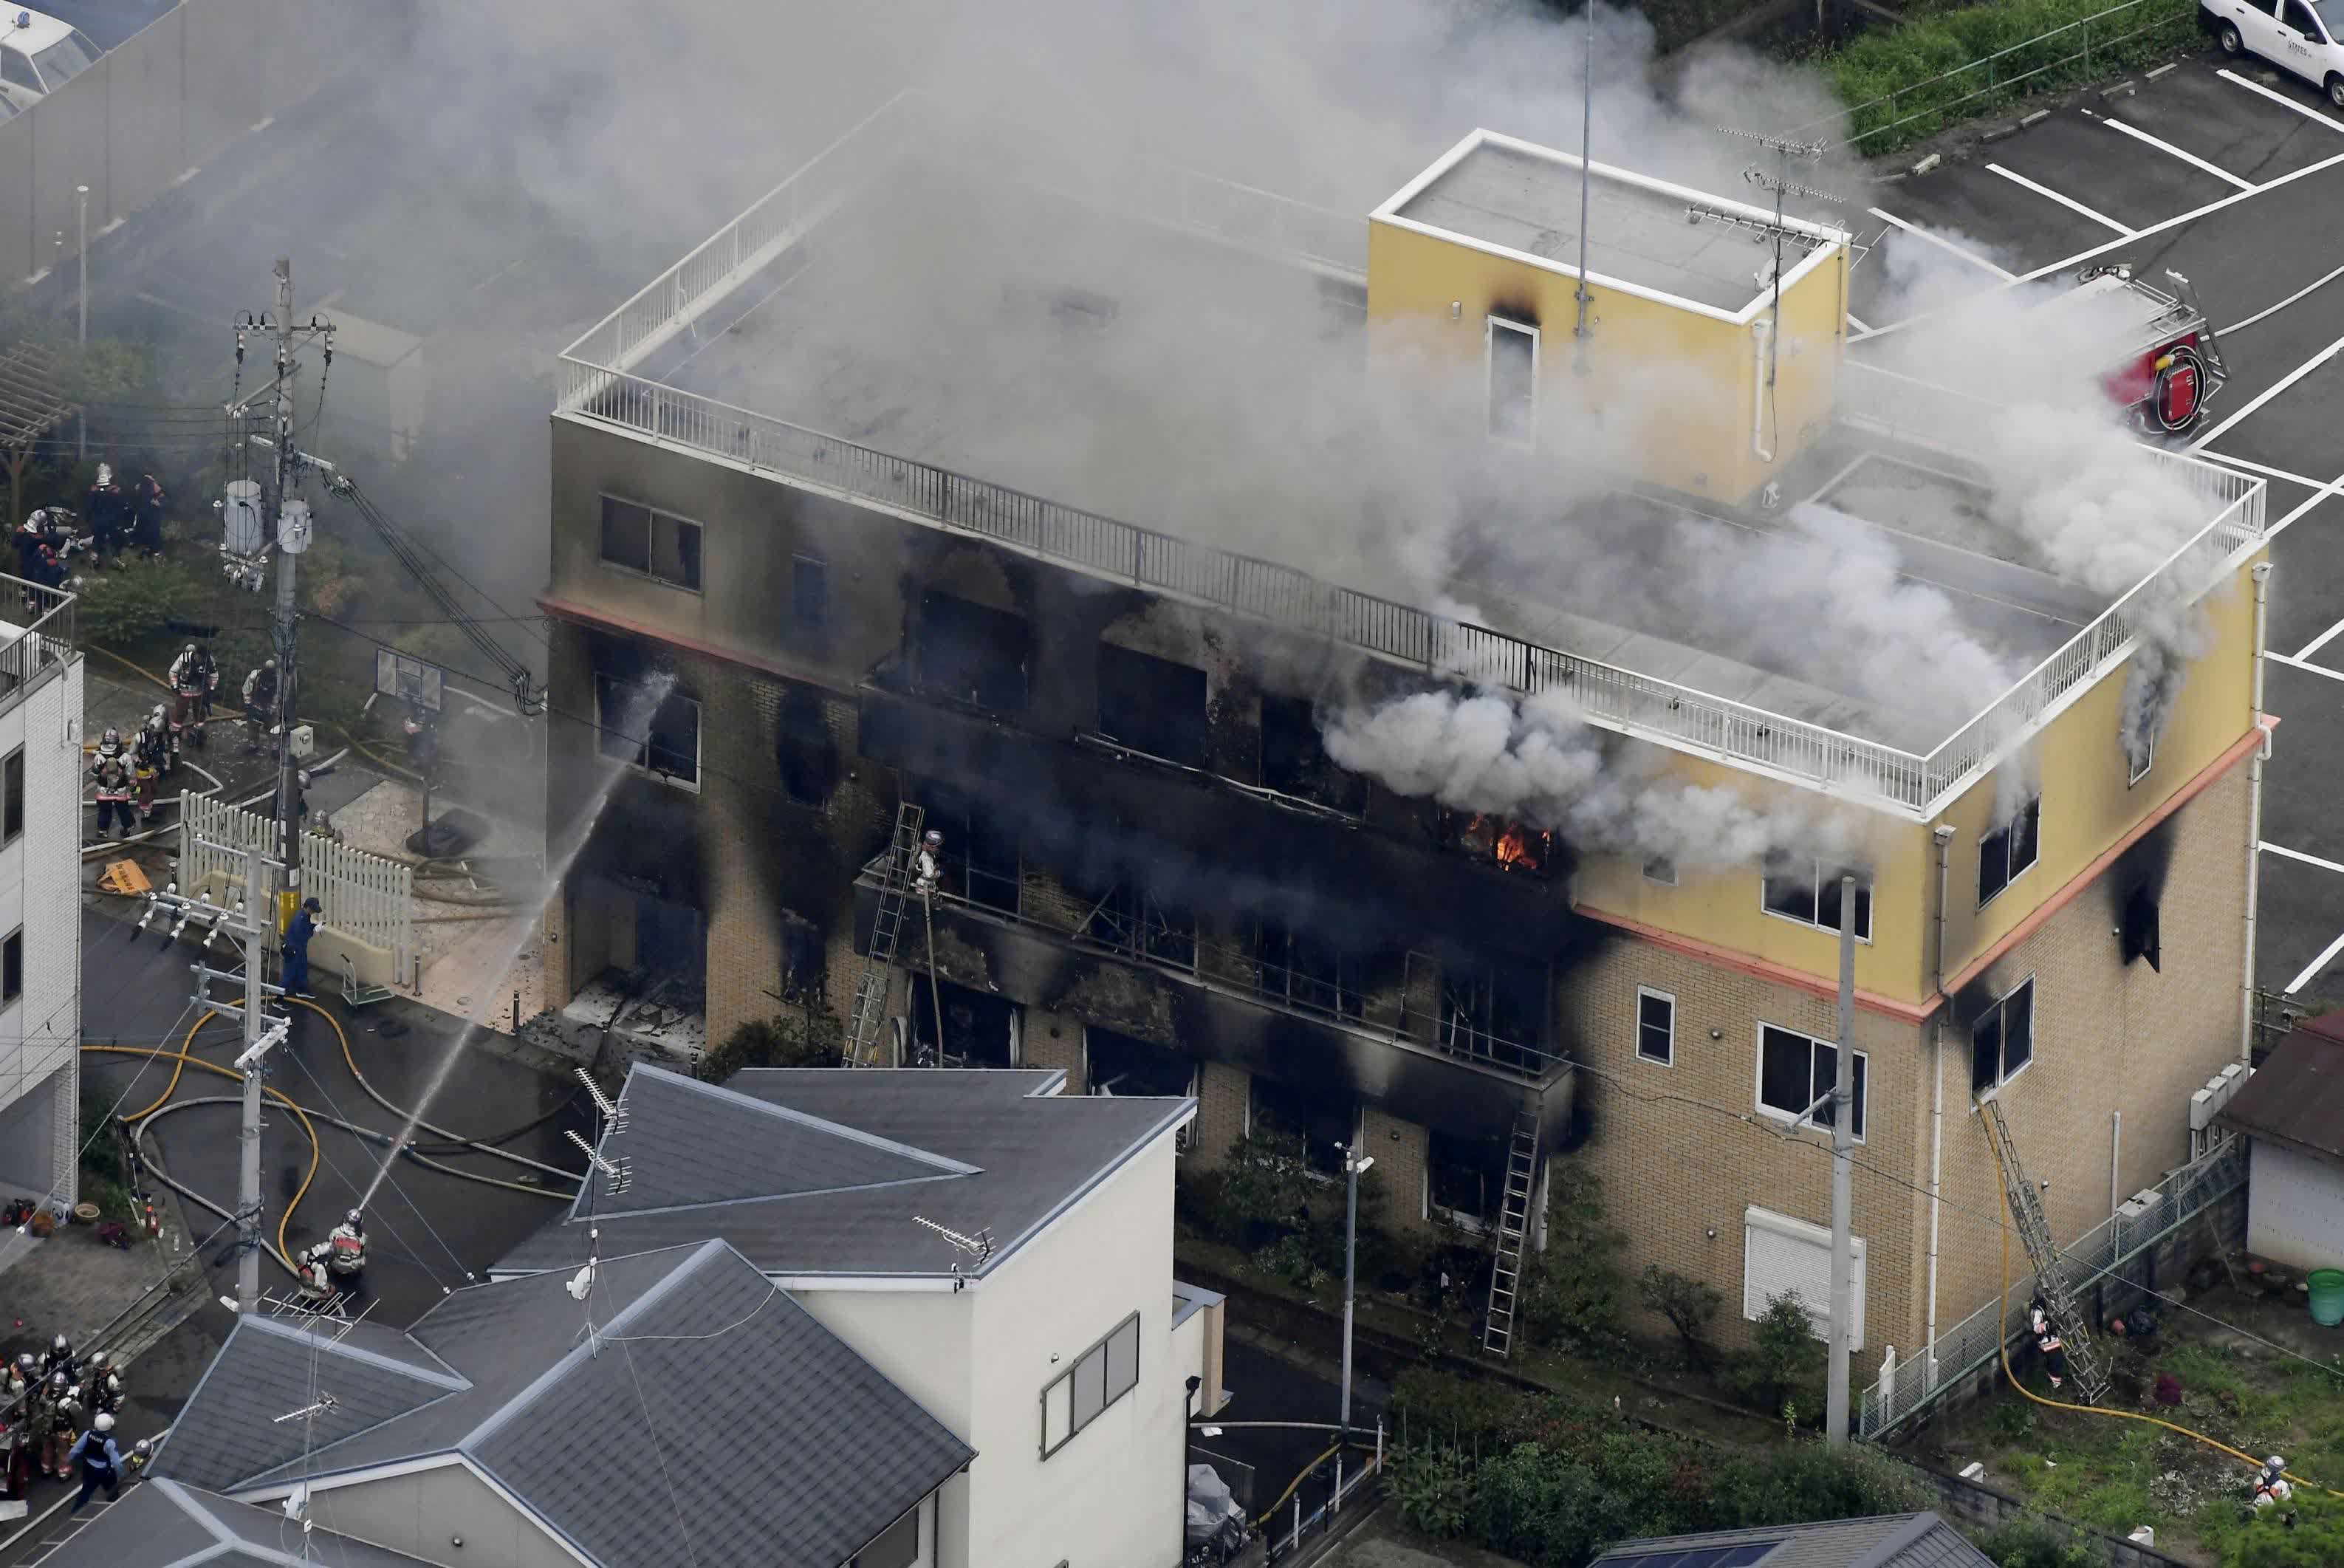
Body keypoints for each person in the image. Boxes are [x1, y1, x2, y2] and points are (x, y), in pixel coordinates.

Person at [66, 1411, 123, 1513]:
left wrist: (68, 1461)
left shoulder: (88, 1434)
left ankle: (76, 1510)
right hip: (104, 1472)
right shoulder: (110, 1443)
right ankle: (115, 1507)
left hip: (88, 1469)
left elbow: (75, 1451)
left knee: (86, 1491)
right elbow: (117, 1463)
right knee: (112, 1490)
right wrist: (120, 1474)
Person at [169, 643, 217, 752]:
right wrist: (175, 686)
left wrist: (211, 689)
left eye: (202, 658)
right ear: (196, 654)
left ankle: (196, 732)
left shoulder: (209, 661)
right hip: (184, 690)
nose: (200, 660)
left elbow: (214, 675)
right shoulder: (184, 658)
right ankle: (175, 734)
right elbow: (173, 672)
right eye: (199, 657)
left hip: (200, 691)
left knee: (200, 713)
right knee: (180, 712)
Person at [38, 1373, 81, 1479]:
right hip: (62, 1432)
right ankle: (64, 1473)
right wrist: (74, 1399)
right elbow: (76, 1412)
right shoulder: (65, 1401)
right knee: (63, 1452)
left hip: (47, 1429)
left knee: (48, 1449)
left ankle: (46, 1469)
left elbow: (41, 1404)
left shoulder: (45, 1396)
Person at [91, 742, 135, 841]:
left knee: (104, 811)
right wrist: (132, 786)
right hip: (121, 791)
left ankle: (103, 831)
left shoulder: (99, 757)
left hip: (103, 791)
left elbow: (94, 774)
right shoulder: (125, 757)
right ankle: (128, 828)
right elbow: (130, 773)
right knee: (123, 810)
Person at [85, 465, 127, 561]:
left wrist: (88, 520)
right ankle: (116, 559)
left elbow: (89, 508)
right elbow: (121, 507)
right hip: (112, 521)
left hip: (98, 521)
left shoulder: (93, 492)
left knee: (98, 540)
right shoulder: (115, 491)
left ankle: (94, 560)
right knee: (115, 540)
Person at [132, 710, 168, 823]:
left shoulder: (160, 737)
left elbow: (164, 750)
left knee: (154, 789)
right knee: (145, 792)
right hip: (142, 771)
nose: (155, 735)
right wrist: (139, 762)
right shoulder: (139, 738)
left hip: (154, 769)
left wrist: (164, 764)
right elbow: (131, 754)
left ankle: (149, 809)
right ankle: (145, 814)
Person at [2027, 1296, 2069, 1391]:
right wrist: (2048, 1326)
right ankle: (2055, 1384)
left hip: (2055, 1338)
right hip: (2046, 1341)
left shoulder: (2051, 1303)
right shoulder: (2037, 1311)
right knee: (2055, 1360)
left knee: (2060, 1358)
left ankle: (2056, 1380)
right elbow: (2036, 1328)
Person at [283, 897, 320, 999]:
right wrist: (313, 930)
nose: (313, 912)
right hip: (293, 950)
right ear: (308, 907)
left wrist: (314, 926)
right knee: (289, 975)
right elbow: (302, 935)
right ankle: (278, 999)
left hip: (300, 949)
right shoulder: (300, 919)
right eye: (313, 910)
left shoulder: (305, 916)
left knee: (302, 970)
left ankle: (302, 990)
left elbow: (306, 928)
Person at [241, 659, 278, 753]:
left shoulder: (278, 680)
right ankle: (253, 745)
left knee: (273, 726)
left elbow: (277, 697)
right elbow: (247, 691)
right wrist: (249, 706)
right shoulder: (254, 677)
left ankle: (275, 748)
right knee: (253, 724)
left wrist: (271, 709)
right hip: (255, 703)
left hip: (269, 705)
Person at [128, 470, 165, 558]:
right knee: (152, 532)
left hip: (145, 512)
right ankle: (151, 551)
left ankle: (150, 550)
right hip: (147, 512)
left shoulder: (141, 486)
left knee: (149, 531)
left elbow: (161, 498)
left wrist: (158, 503)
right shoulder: (151, 485)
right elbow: (161, 497)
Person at [323, 1208, 364, 1281]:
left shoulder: (335, 1232)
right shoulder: (363, 1239)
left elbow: (329, 1245)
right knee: (363, 1259)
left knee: (328, 1247)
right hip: (351, 1267)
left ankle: (327, 1267)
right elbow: (365, 1252)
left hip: (335, 1264)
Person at [914, 829, 944, 894]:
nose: (938, 849)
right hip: (923, 890)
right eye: (937, 847)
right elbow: (930, 875)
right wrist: (940, 873)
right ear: (931, 847)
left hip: (927, 887)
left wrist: (937, 866)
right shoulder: (927, 858)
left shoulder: (930, 855)